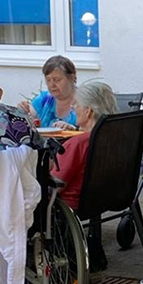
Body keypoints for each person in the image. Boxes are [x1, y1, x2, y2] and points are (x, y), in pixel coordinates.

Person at [53, 80, 118, 209]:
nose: (72, 107)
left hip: (70, 202)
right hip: (105, 197)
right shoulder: (114, 137)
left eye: (76, 104)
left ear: (88, 111)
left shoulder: (78, 144)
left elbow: (55, 185)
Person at [17, 55, 78, 128]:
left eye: (57, 80)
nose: (52, 85)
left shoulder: (85, 101)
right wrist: (23, 110)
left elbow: (89, 131)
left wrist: (72, 129)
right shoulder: (44, 99)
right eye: (48, 80)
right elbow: (30, 114)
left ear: (72, 78)